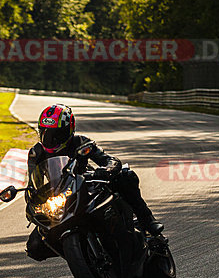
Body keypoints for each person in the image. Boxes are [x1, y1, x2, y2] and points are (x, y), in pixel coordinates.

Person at [25, 104, 163, 261]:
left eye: (56, 134)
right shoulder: (36, 153)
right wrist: (34, 201)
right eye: (45, 134)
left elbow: (109, 160)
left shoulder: (81, 142)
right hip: (60, 196)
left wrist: (107, 170)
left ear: (69, 129)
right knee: (34, 246)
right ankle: (79, 255)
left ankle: (147, 221)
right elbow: (33, 185)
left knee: (126, 176)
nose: (50, 140)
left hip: (89, 184)